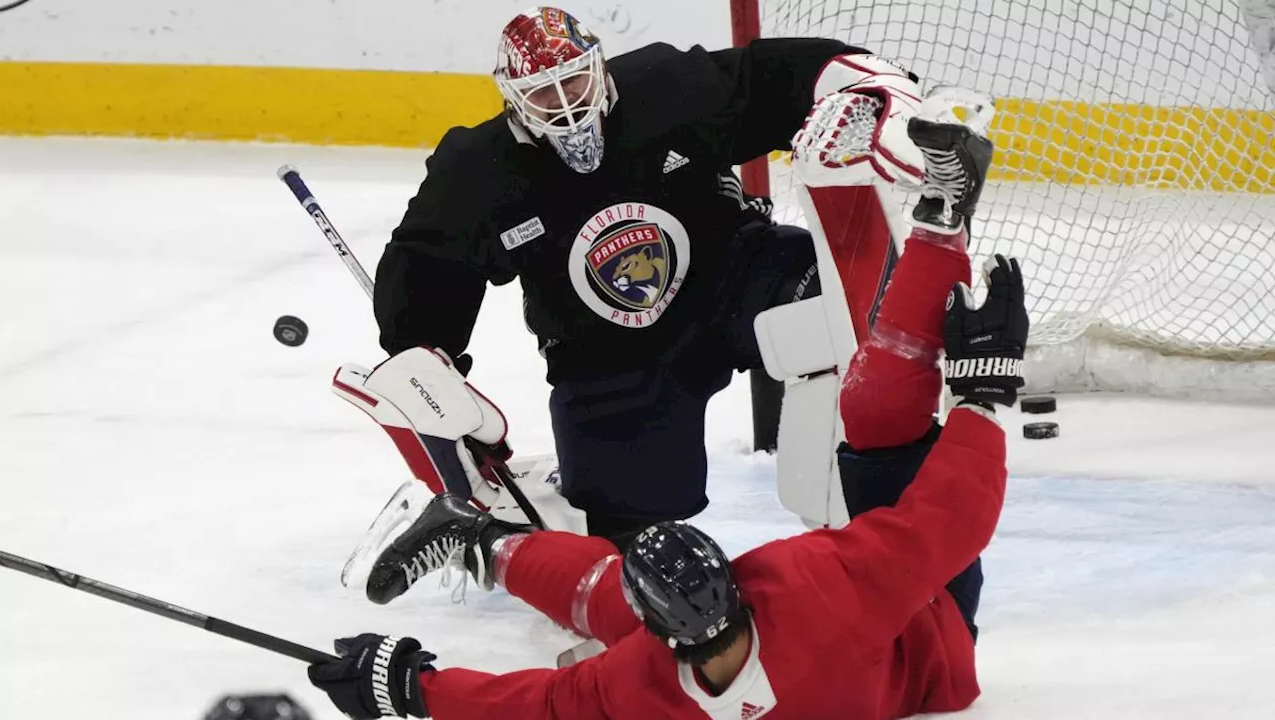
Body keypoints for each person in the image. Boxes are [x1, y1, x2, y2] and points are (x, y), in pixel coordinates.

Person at [306, 104, 1030, 719]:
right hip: (928, 647)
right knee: (874, 411)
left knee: (603, 592)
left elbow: (543, 706)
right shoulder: (811, 591)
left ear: (657, 634)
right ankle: (940, 221)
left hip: (882, 626)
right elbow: (949, 519)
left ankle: (483, 538)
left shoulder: (640, 686)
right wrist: (985, 394)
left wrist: (412, 689)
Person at [370, 5, 933, 548]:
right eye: (545, 93)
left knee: (837, 309)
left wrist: (860, 83)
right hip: (608, 360)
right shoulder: (478, 171)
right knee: (632, 546)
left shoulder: (665, 87)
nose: (566, 106)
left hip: (732, 279)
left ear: (599, 67)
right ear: (514, 101)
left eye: (575, 83)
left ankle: (879, 502)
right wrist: (425, 358)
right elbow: (428, 261)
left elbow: (767, 78)